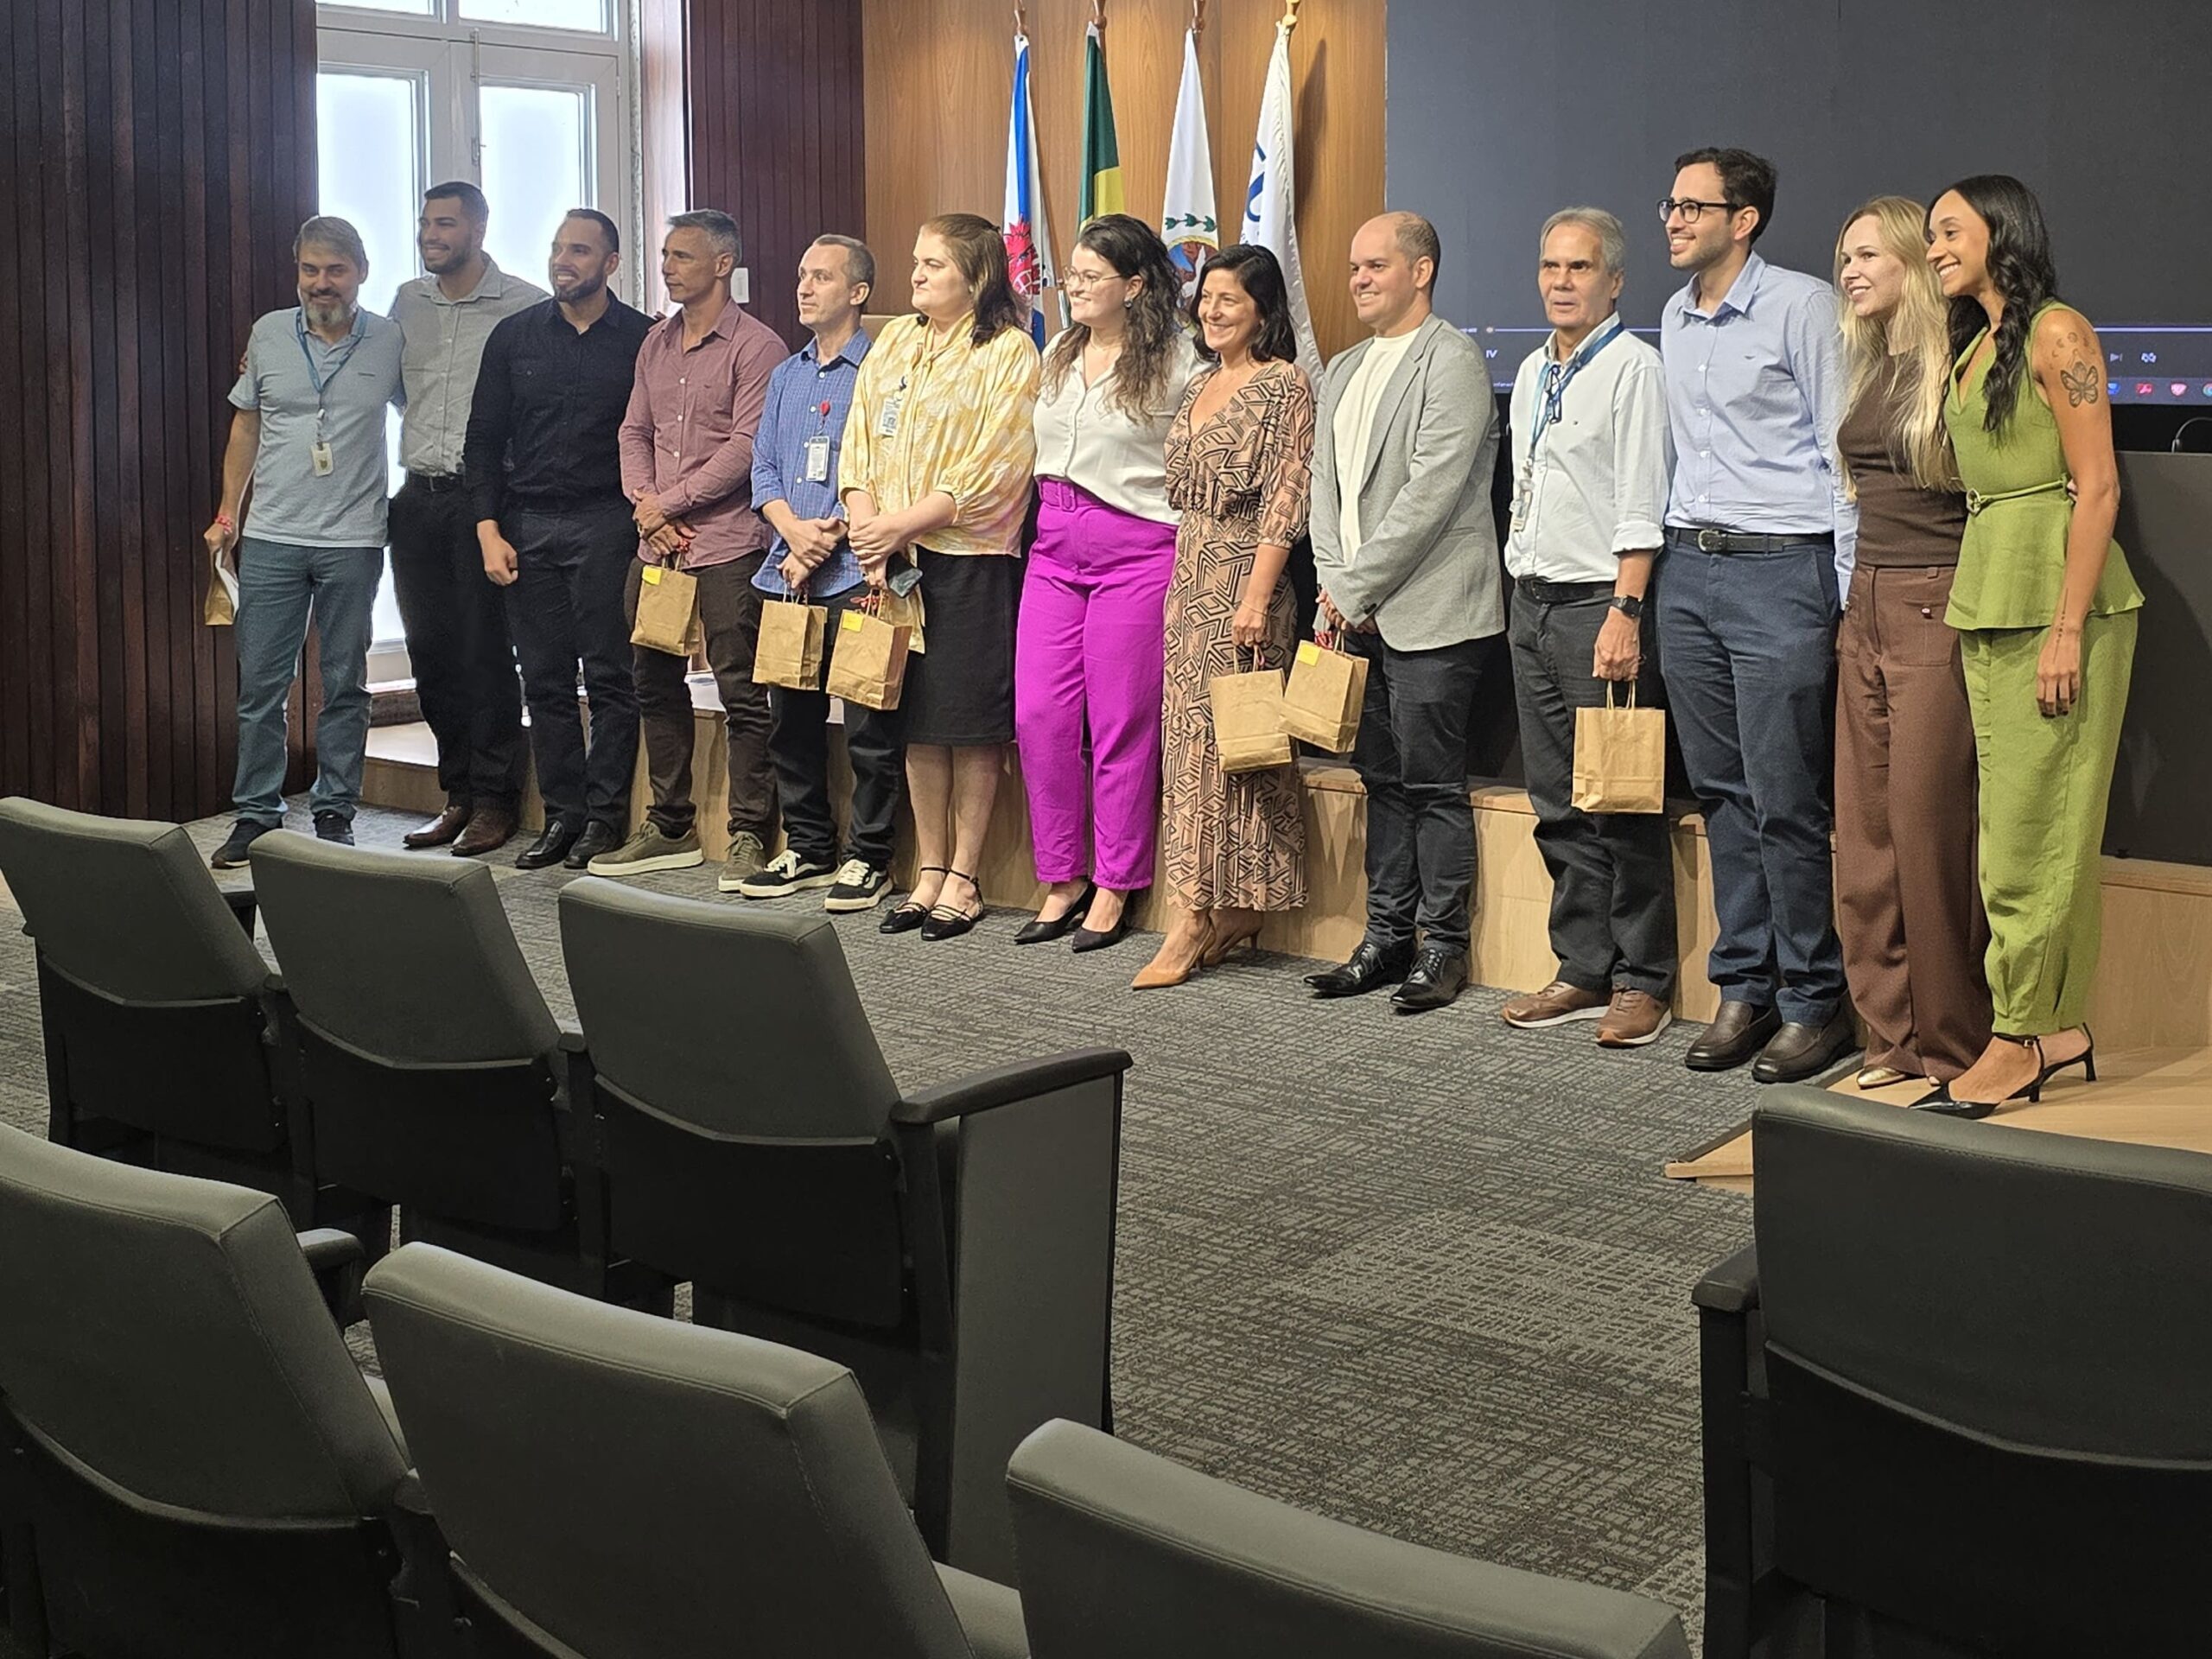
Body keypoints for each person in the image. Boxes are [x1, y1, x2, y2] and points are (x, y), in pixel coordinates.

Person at [1916, 176, 2143, 1116]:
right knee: (2010, 831)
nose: (1934, 248)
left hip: (2058, 605)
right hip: (1991, 597)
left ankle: (2022, 1038)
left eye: (1949, 231)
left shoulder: (2058, 332)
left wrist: (2065, 628)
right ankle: (2050, 1030)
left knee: (2036, 834)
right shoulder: (1976, 343)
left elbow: (2099, 487)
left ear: (2000, 232)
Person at [1656, 146, 1858, 1082]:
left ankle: (1814, 1001)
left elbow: (1841, 453)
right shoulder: (1674, 315)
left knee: (1785, 798)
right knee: (1722, 794)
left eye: (1692, 207)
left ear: (1744, 220)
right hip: (1688, 569)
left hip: (1781, 570)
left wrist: (1845, 591)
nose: (1673, 220)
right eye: (1669, 205)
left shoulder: (1803, 306)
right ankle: (1745, 987)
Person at [1305, 213, 1501, 1014]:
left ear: (1421, 272)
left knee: (1431, 786)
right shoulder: (1344, 367)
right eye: (1354, 267)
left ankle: (1442, 946)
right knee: (1380, 782)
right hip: (1356, 612)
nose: (1358, 279)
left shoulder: (1451, 360)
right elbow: (1322, 489)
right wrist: (1333, 580)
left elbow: (1431, 495)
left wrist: (1354, 587)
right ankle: (1385, 938)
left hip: (1431, 613)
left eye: (1375, 266)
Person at [1497, 207, 1677, 1046]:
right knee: (1556, 802)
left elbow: (1643, 503)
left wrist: (1625, 612)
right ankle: (1582, 966)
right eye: (1550, 266)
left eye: (1579, 268)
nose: (1561, 282)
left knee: (1619, 798)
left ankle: (1644, 979)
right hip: (1529, 600)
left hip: (1597, 605)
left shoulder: (1634, 368)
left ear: (1613, 281)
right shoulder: (1534, 368)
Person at [840, 213, 1042, 941]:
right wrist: (868, 524)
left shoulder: (1009, 351)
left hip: (968, 560)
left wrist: (902, 525)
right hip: (892, 559)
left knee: (968, 725)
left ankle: (965, 876)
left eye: (934, 264)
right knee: (919, 725)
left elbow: (1000, 465)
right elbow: (859, 440)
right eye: (916, 261)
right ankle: (927, 871)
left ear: (976, 275)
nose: (916, 274)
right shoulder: (896, 340)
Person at [1830, 196, 1991, 1090]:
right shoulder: (1870, 363)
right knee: (1863, 835)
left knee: (1926, 831)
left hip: (1935, 602)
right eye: (1844, 257)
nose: (1849, 271)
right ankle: (1890, 1036)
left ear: (1911, 263)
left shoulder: (1955, 366)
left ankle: (1953, 1043)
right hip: (1864, 603)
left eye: (1867, 255)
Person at [1014, 214, 1201, 953]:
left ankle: (1117, 882)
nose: (1075, 287)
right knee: (1040, 715)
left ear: (1136, 284)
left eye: (1092, 277)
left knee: (1122, 719)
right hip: (1054, 547)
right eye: (1073, 275)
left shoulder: (1180, 361)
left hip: (1137, 547)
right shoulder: (1060, 350)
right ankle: (1062, 876)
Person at [1137, 244, 1315, 989]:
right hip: (1190, 578)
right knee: (1190, 750)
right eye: (1206, 297)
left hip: (1246, 583)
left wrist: (1254, 599)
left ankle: (1197, 915)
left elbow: (1287, 496)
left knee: (1236, 747)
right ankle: (1226, 906)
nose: (1212, 311)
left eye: (1229, 299)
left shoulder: (1285, 386)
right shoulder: (1202, 381)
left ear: (1263, 311)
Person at [203, 216, 404, 870]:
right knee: (262, 687)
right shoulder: (268, 333)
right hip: (272, 537)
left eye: (335, 270)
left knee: (346, 682)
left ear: (361, 273)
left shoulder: (389, 340)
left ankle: (335, 811)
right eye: (310, 269)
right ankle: (256, 815)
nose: (322, 283)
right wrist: (228, 515)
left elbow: (425, 412)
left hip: (354, 540)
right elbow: (246, 427)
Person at [594, 209, 786, 881]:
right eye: (666, 255)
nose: (667, 267)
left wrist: (667, 504)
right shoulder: (656, 342)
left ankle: (750, 831)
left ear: (722, 264)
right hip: (658, 547)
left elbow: (747, 447)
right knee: (652, 681)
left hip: (727, 543)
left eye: (681, 256)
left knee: (742, 691)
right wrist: (646, 508)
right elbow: (633, 431)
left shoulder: (757, 347)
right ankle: (669, 824)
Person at [466, 208, 652, 871]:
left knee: (610, 678)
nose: (562, 261)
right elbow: (483, 441)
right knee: (544, 681)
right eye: (557, 249)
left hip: (608, 523)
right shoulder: (514, 337)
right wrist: (488, 529)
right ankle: (562, 815)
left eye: (579, 251)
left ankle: (604, 819)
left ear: (611, 264)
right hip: (527, 524)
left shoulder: (643, 340)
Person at [734, 233, 905, 913]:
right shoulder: (787, 374)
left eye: (823, 277)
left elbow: (886, 469)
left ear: (858, 292)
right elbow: (764, 467)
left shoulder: (882, 371)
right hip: (788, 573)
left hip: (855, 572)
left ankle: (870, 857)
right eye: (803, 275)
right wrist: (792, 532)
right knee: (791, 723)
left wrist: (825, 535)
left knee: (868, 729)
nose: (804, 287)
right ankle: (808, 846)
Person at [387, 181, 544, 858]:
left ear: (478, 230)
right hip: (416, 498)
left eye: (446, 223)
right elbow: (395, 389)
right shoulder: (406, 303)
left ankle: (496, 800)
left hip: (484, 503)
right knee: (430, 653)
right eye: (426, 222)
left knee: (484, 654)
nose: (431, 234)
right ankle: (457, 793)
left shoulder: (525, 305)